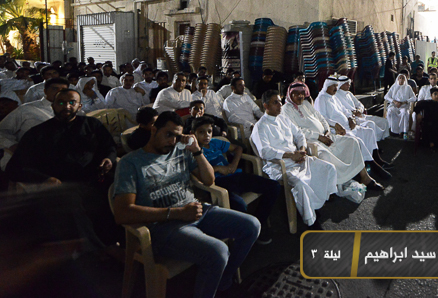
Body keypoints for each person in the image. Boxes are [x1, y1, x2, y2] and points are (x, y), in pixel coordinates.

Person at [112, 111, 260, 297]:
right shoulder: (130, 163)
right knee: (218, 251)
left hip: (196, 210)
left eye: (177, 136)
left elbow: (209, 180)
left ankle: (222, 278)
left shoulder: (181, 151)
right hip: (164, 226)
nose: (172, 141)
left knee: (251, 226)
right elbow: (122, 213)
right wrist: (177, 213)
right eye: (168, 134)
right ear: (154, 130)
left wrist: (196, 150)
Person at [6, 88, 119, 246]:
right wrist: (45, 179)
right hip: (62, 184)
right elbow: (15, 168)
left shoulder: (92, 125)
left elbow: (109, 147)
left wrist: (109, 159)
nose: (66, 106)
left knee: (122, 189)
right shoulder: (37, 133)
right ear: (52, 106)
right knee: (71, 202)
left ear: (79, 106)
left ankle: (127, 241)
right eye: (61, 103)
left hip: (95, 178)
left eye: (72, 102)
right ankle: (93, 249)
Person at [251, 90, 338, 228]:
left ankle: (312, 205)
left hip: (297, 158)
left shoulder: (283, 119)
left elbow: (299, 134)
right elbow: (265, 152)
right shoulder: (260, 126)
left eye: (280, 101)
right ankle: (310, 221)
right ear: (266, 106)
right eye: (275, 102)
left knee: (328, 168)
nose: (280, 105)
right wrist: (291, 155)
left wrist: (302, 150)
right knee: (300, 184)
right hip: (280, 165)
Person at [190, 116, 280, 244]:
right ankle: (247, 232)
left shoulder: (215, 142)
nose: (207, 135)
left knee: (274, 186)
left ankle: (259, 224)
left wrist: (233, 165)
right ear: (193, 133)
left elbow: (238, 148)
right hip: (218, 183)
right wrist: (218, 169)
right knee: (239, 204)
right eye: (201, 132)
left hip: (234, 176)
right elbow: (199, 175)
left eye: (209, 131)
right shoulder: (194, 152)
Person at [282, 82, 384, 190]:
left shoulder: (306, 104)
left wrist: (327, 131)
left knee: (353, 142)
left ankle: (364, 177)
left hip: (326, 136)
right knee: (326, 155)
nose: (300, 96)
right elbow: (297, 131)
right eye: (296, 93)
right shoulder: (286, 109)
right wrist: (319, 136)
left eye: (302, 93)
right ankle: (334, 186)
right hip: (311, 141)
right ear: (290, 94)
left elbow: (321, 119)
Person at [314, 76, 390, 174]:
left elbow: (344, 110)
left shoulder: (333, 97)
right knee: (358, 141)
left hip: (348, 126)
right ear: (327, 86)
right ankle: (372, 164)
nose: (336, 89)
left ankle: (377, 158)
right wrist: (335, 124)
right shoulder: (321, 99)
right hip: (336, 130)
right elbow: (322, 118)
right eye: (334, 86)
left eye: (337, 86)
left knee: (369, 132)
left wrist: (350, 118)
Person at [0, 77, 70, 170]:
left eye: (63, 90)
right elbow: (2, 131)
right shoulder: (26, 109)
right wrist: (12, 145)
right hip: (28, 159)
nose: (59, 92)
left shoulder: (72, 111)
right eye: (54, 89)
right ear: (45, 91)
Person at [384, 73, 417, 139]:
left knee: (404, 113)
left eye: (403, 78)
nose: (401, 80)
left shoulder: (408, 87)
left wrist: (405, 101)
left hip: (404, 106)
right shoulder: (394, 87)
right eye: (400, 78)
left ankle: (403, 131)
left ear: (405, 80)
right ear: (398, 79)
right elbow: (386, 96)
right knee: (390, 111)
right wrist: (394, 101)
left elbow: (414, 98)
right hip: (394, 105)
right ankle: (393, 131)